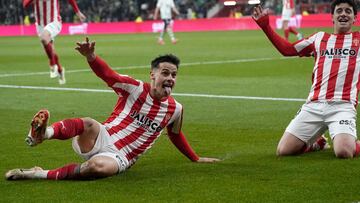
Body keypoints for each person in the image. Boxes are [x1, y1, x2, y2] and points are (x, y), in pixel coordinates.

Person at [5, 37, 220, 180]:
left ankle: (37, 174)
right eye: (165, 73)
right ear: (153, 75)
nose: (170, 78)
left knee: (95, 168)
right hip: (101, 136)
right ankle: (45, 133)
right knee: (88, 122)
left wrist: (195, 157)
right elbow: (109, 75)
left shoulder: (176, 109)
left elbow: (176, 135)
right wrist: (91, 57)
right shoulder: (134, 88)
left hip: (121, 158)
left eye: (174, 75)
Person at [252, 0, 360, 159]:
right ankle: (318, 143)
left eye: (348, 11)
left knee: (343, 152)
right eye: (339, 11)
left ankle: (349, 142)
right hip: (314, 105)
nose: (343, 14)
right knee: (284, 151)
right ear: (332, 17)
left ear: (354, 18)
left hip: (342, 106)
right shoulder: (318, 38)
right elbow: (287, 50)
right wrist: (265, 27)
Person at [22, 0, 86, 85]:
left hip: (54, 21)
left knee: (44, 39)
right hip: (40, 24)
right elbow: (25, 4)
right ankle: (60, 70)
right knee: (50, 49)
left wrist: (77, 12)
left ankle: (52, 65)